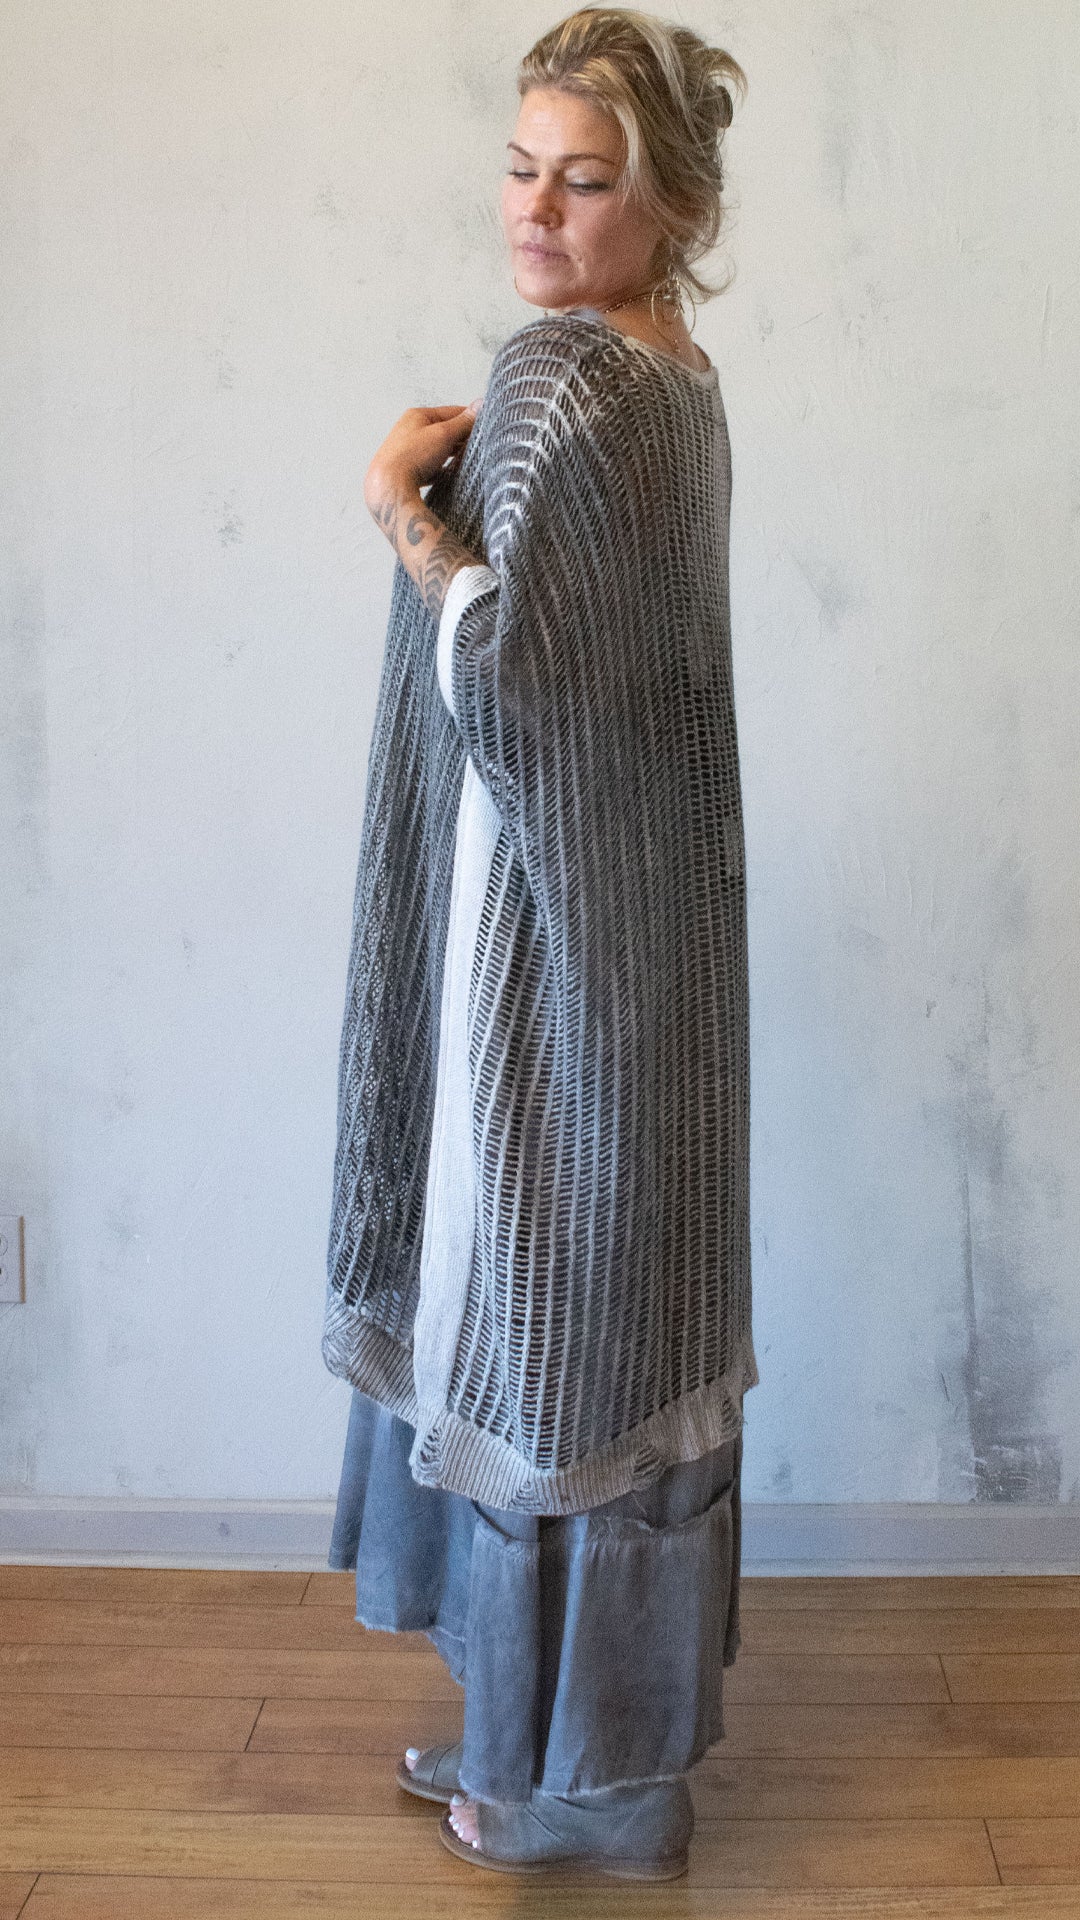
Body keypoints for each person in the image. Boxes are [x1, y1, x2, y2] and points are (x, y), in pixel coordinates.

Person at [322, 5, 756, 1882]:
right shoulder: (680, 380)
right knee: (618, 1309)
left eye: (587, 182)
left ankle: (554, 1786)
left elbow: (507, 685)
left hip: (549, 929)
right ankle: (597, 1766)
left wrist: (398, 515)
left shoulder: (563, 382)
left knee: (535, 1319)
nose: (538, 210)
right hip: (654, 926)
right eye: (521, 169)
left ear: (672, 209)